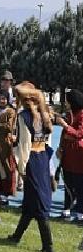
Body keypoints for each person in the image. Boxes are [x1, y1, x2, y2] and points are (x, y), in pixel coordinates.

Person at [7, 82, 54, 252]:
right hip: (42, 158)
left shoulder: (24, 116)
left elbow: (25, 146)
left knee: (39, 203)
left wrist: (22, 168)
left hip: (32, 160)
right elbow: (46, 141)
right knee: (29, 203)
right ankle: (17, 236)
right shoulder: (45, 114)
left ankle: (48, 246)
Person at [56, 89, 83, 221]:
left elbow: (78, 134)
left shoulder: (82, 115)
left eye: (67, 100)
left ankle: (79, 213)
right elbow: (64, 135)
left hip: (78, 155)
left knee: (79, 185)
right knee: (67, 183)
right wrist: (60, 148)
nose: (65, 103)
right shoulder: (69, 114)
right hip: (67, 153)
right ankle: (66, 210)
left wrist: (66, 126)